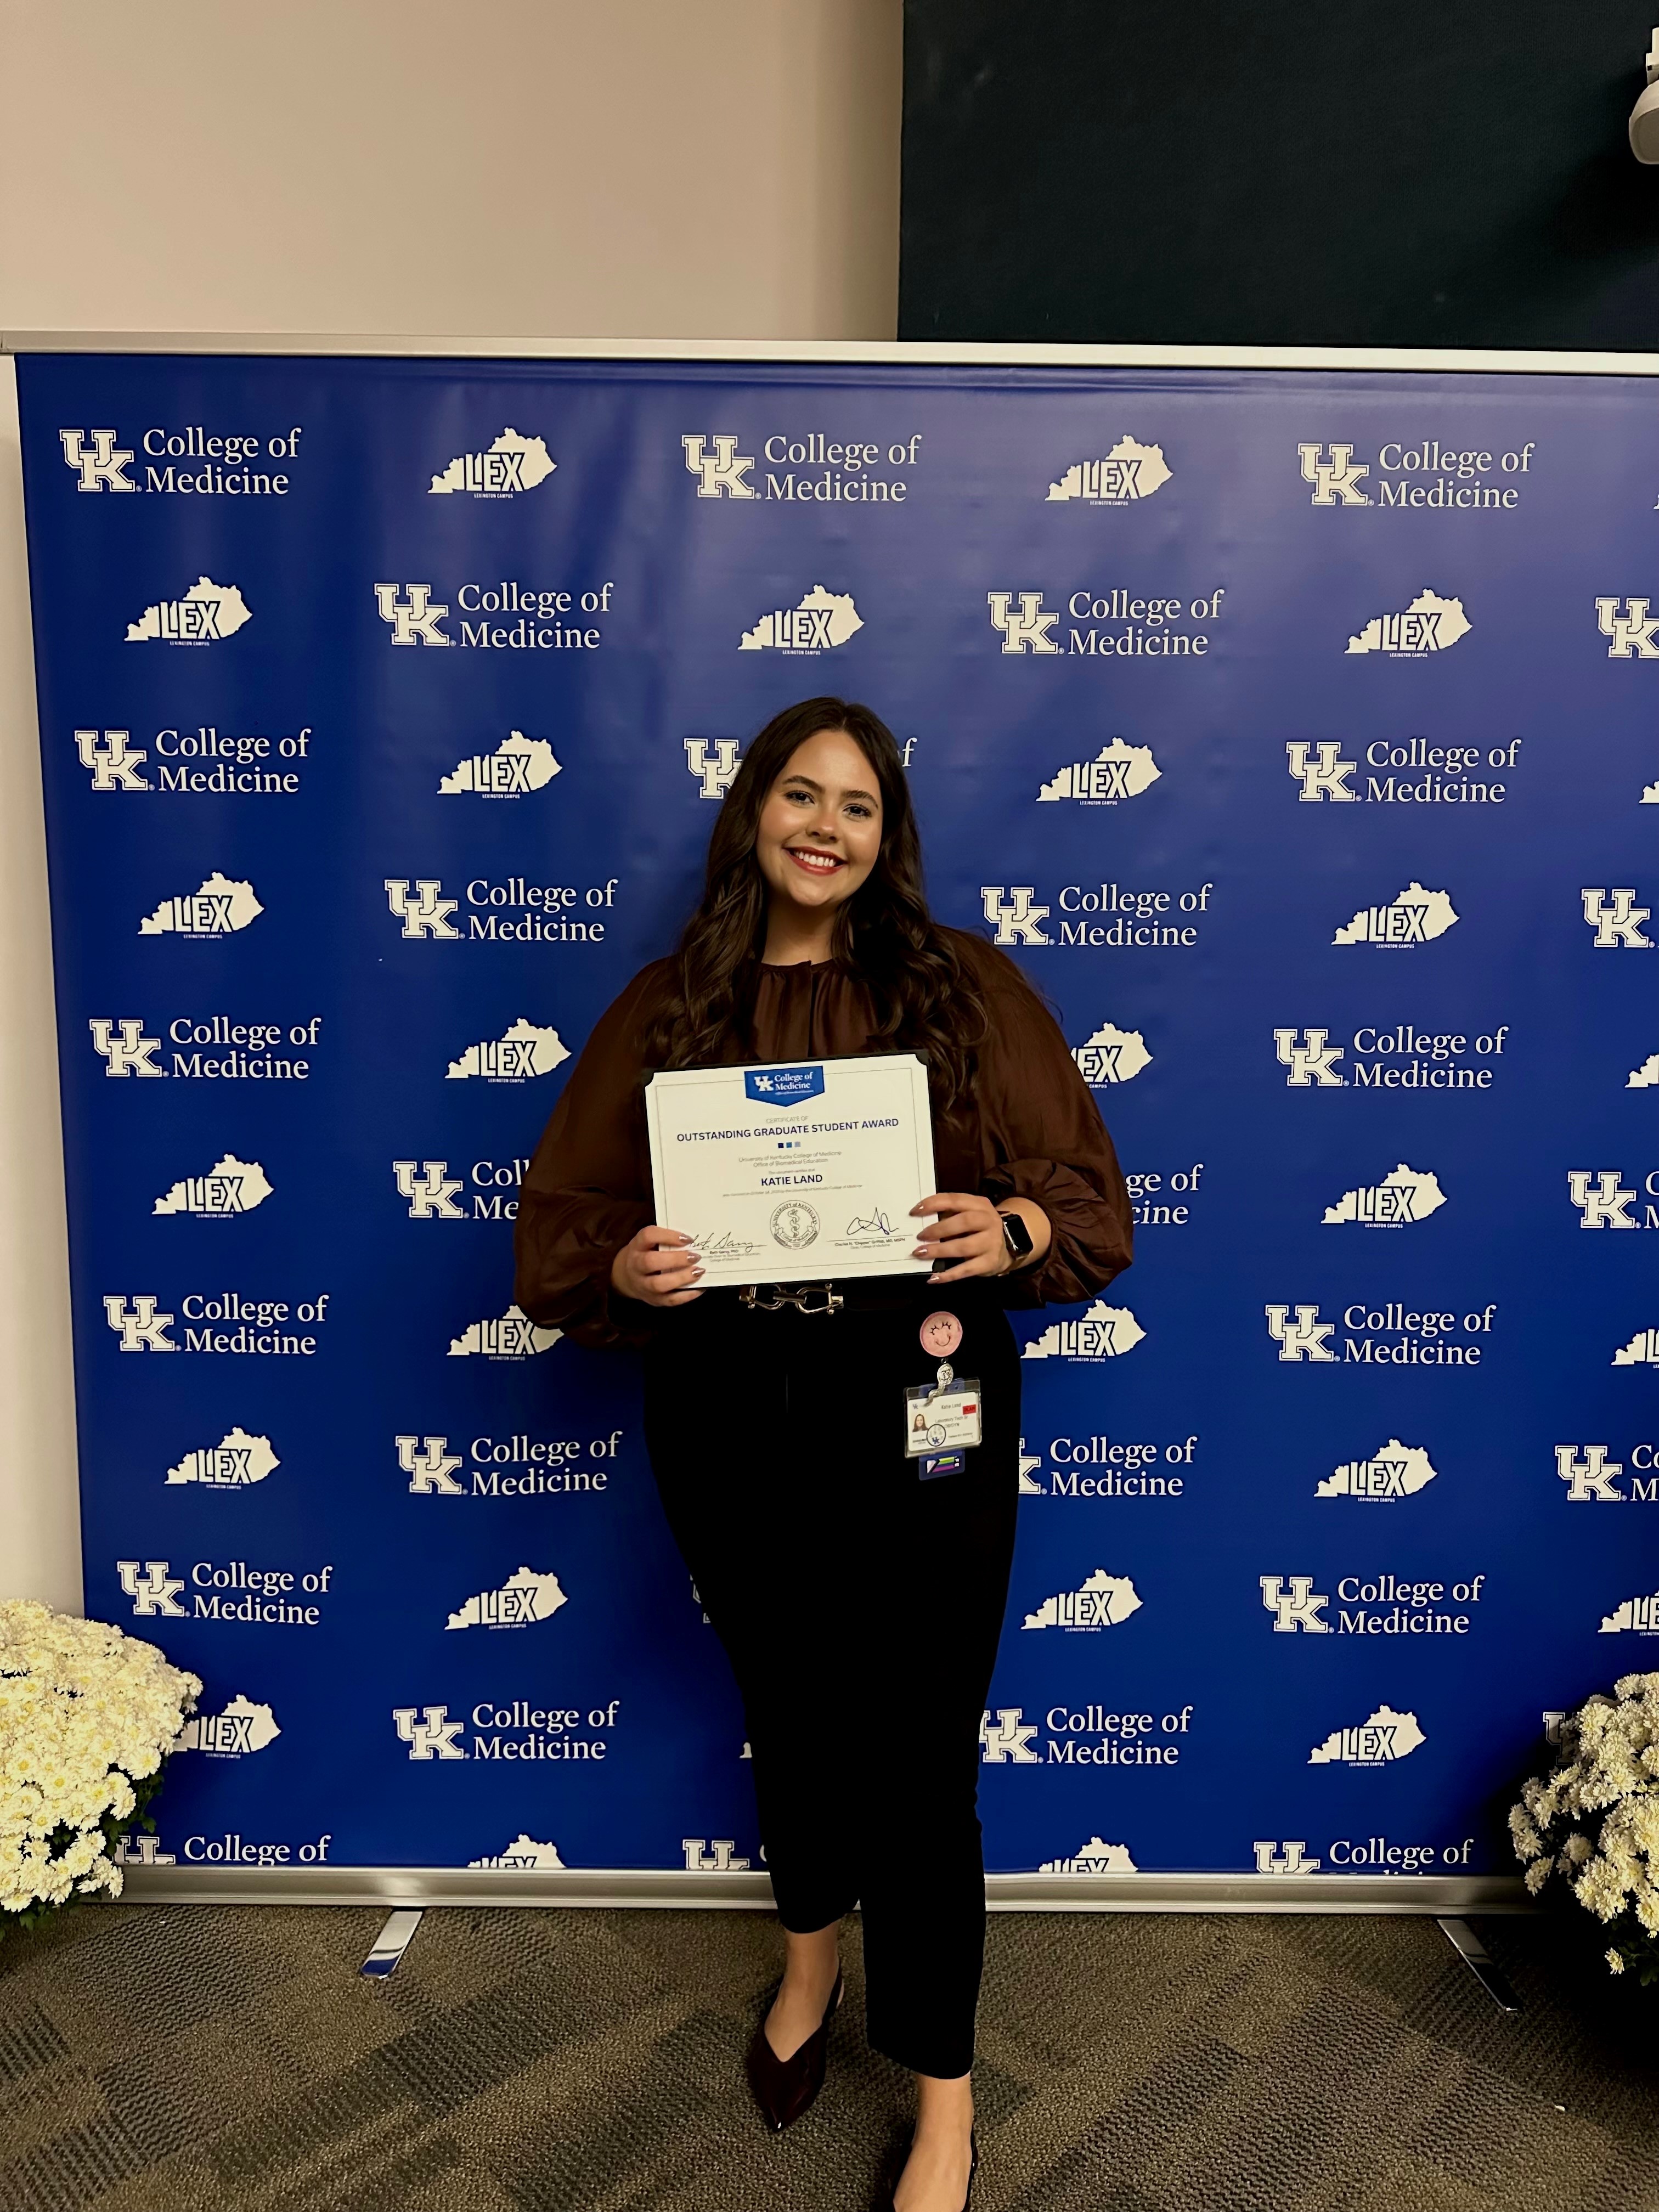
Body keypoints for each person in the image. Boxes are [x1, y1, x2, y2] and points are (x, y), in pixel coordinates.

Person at [514, 697, 1132, 2212]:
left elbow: (1094, 1208)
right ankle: (808, 1968)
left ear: (887, 838)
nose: (827, 827)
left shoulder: (965, 987)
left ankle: (943, 2094)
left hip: (919, 1394)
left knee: (919, 1747)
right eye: (803, 794)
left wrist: (1018, 1227)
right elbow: (560, 1237)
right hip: (730, 1397)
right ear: (753, 814)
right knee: (789, 1705)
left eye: (859, 806)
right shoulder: (672, 1004)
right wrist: (633, 1271)